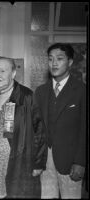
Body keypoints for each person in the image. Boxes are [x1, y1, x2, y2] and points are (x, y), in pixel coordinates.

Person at [0, 56, 47, 198]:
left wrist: (38, 163)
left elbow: (40, 132)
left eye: (2, 71)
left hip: (17, 162)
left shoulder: (26, 96)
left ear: (13, 73)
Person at [34, 43, 86, 199]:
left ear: (70, 62)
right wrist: (37, 159)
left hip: (70, 161)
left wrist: (80, 162)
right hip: (45, 161)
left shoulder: (82, 90)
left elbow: (84, 129)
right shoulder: (41, 91)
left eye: (59, 59)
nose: (54, 63)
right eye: (50, 59)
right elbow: (37, 127)